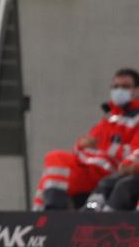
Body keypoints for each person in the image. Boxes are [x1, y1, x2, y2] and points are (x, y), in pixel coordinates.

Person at [32, 68, 139, 211]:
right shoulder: (109, 118)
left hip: (115, 171)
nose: (119, 90)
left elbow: (132, 154)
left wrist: (117, 158)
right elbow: (84, 147)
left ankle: (58, 212)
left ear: (137, 90)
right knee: (54, 161)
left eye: (125, 86)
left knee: (58, 160)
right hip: (93, 169)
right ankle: (41, 214)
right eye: (116, 87)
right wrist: (81, 145)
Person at [83, 120, 139, 212]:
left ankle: (109, 215)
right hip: (131, 172)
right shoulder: (107, 121)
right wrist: (127, 165)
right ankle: (91, 209)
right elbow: (136, 153)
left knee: (124, 186)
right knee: (107, 182)